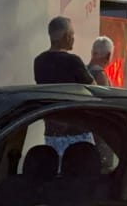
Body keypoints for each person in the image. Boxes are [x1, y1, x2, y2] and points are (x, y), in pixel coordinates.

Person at [33, 16, 95, 154]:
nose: (73, 38)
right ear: (66, 36)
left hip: (51, 130)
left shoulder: (39, 62)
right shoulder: (73, 61)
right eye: (72, 34)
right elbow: (94, 89)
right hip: (76, 132)